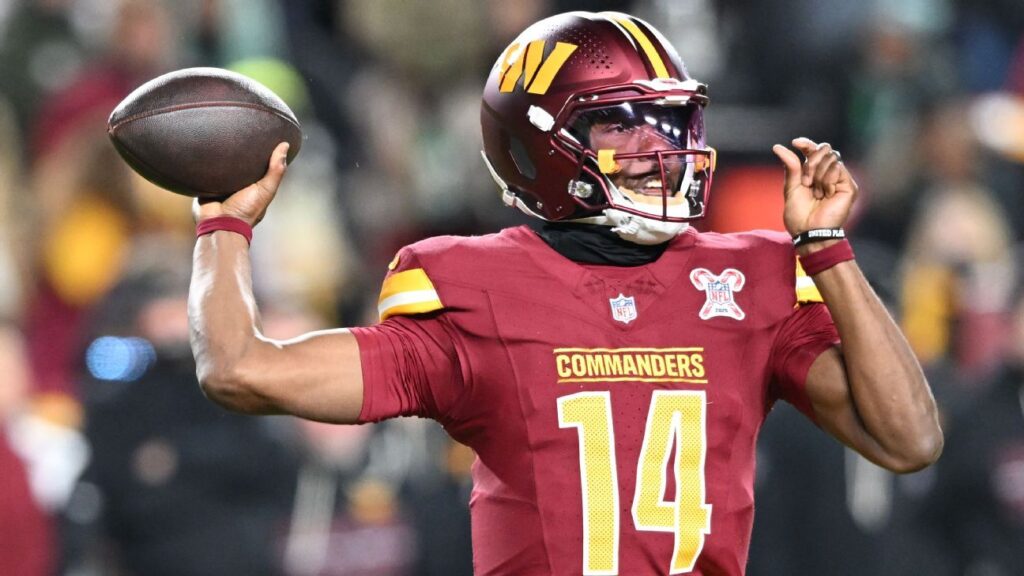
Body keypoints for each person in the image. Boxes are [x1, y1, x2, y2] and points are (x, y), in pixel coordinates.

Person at [187, 11, 942, 575]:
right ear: (541, 145)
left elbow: (908, 439)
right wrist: (224, 224)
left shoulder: (745, 280)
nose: (657, 149)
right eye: (623, 127)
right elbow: (239, 370)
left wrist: (827, 249)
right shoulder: (476, 289)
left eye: (669, 122)